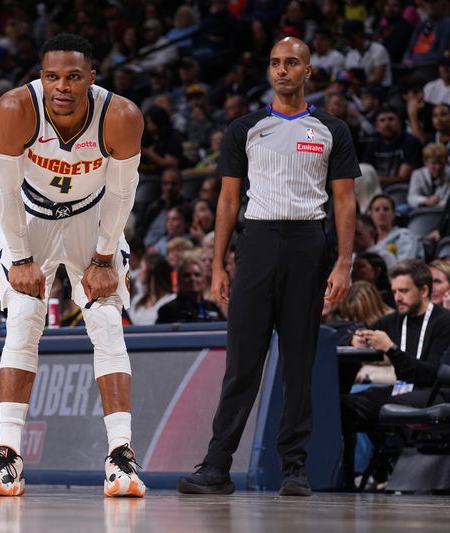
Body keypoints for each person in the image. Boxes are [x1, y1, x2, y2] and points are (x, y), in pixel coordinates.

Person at [177, 37, 359, 497]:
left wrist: (343, 261)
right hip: (255, 244)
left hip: (307, 244)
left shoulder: (331, 128)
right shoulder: (245, 128)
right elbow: (228, 199)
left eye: (291, 63)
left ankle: (293, 468)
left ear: (308, 71)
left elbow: (344, 200)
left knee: (299, 362)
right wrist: (217, 264)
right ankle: (217, 467)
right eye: (275, 63)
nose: (282, 70)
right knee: (242, 362)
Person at [0, 33, 146, 498]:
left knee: (108, 320)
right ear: (41, 76)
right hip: (28, 219)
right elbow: (4, 191)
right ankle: (8, 457)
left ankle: (121, 457)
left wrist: (105, 257)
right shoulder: (15, 109)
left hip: (93, 218)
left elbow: (122, 192)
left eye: (73, 77)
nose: (62, 87)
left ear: (91, 78)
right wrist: (24, 258)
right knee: (25, 320)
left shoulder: (121, 115)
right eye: (52, 77)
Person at [342, 260, 450, 489]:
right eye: (394, 292)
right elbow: (357, 327)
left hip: (432, 393)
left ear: (423, 290)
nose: (397, 297)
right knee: (344, 406)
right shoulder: (393, 320)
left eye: (403, 291)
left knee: (392, 402)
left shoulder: (443, 322)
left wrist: (391, 350)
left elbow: (431, 374)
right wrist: (355, 337)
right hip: (401, 391)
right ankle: (346, 479)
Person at [127, 252, 176, 325]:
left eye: (141, 267)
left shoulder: (171, 300)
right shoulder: (137, 300)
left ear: (150, 270)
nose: (139, 272)